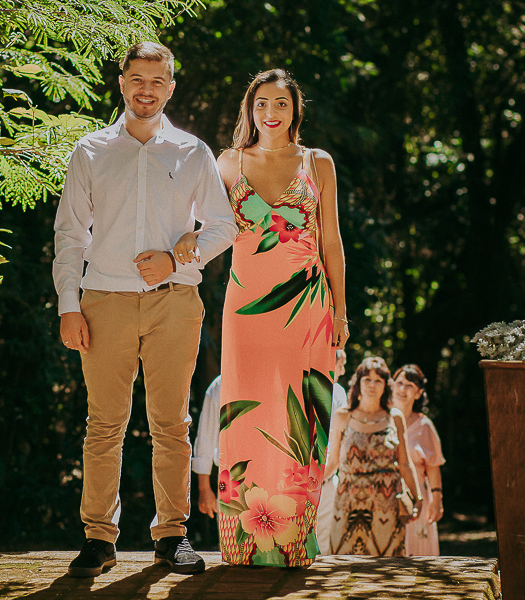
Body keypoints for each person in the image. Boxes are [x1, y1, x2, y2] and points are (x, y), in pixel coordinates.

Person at [53, 41, 238, 577]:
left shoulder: (192, 152)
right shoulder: (90, 151)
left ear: (171, 87)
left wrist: (182, 255)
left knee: (171, 424)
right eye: (137, 78)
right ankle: (98, 539)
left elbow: (223, 226)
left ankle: (172, 535)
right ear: (122, 82)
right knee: (103, 425)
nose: (146, 89)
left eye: (157, 81)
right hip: (103, 302)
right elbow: (70, 234)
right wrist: (69, 304)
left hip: (174, 304)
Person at [174, 68, 348, 567]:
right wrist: (186, 239)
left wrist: (341, 310)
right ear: (250, 110)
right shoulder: (227, 162)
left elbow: (332, 243)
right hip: (245, 307)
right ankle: (245, 542)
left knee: (301, 416)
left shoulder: (318, 164)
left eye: (282, 104)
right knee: (247, 414)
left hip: (306, 306)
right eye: (262, 104)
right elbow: (203, 224)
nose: (270, 114)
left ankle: (295, 542)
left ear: (296, 111)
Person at [324, 356, 422, 556]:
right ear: (358, 383)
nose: (372, 385)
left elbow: (404, 463)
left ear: (386, 385)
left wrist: (417, 496)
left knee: (385, 568)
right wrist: (309, 489)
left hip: (386, 506)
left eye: (378, 380)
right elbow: (333, 461)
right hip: (347, 502)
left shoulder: (394, 417)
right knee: (343, 566)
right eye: (367, 379)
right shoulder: (343, 416)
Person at [392, 364, 445, 556]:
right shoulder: (382, 419)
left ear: (418, 393)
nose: (402, 389)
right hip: (386, 493)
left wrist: (437, 500)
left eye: (409, 386)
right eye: (399, 383)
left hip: (417, 497)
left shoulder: (425, 426)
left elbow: (433, 467)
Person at [315, 348, 349, 552]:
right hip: (306, 477)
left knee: (324, 540)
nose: (343, 371)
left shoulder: (339, 392)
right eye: (341, 365)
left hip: (326, 477)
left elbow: (341, 437)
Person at [192, 375, 221, 518]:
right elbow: (206, 438)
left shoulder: (279, 378)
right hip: (231, 478)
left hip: (276, 476)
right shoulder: (220, 384)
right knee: (233, 537)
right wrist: (204, 488)